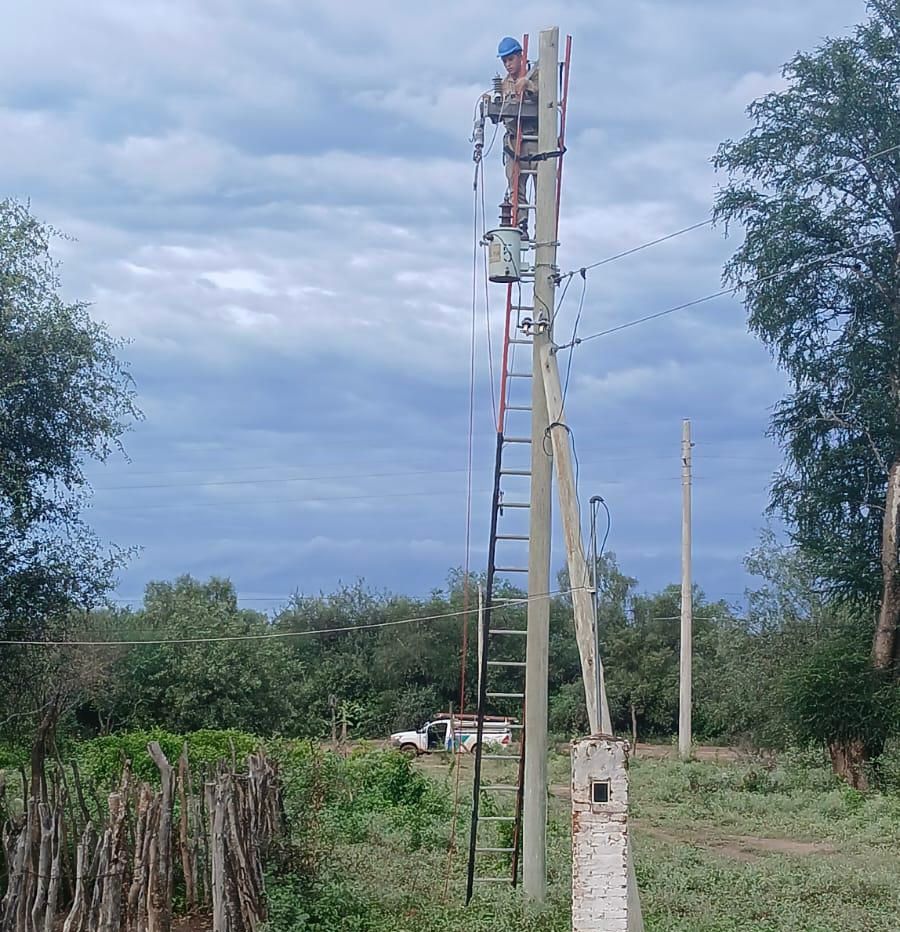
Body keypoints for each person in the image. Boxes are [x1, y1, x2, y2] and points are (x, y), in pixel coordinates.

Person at [473, 36, 539, 238]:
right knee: (515, 185)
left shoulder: (536, 74)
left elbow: (546, 96)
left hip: (537, 140)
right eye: (505, 61)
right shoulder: (504, 84)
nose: (508, 64)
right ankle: (522, 225)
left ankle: (542, 231)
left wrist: (528, 86)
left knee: (542, 189)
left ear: (520, 56)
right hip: (514, 141)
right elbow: (500, 113)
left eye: (510, 59)